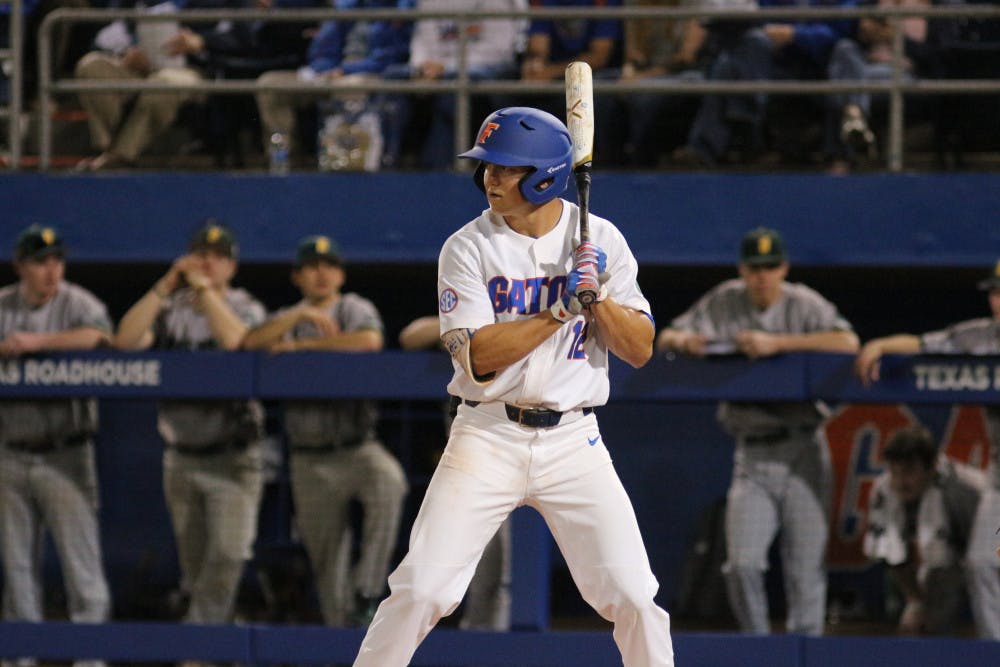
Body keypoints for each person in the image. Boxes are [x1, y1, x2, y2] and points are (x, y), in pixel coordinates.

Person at [352, 106, 673, 666]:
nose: (489, 179)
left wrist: (599, 300)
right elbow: (478, 358)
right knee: (422, 591)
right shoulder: (467, 247)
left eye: (505, 169)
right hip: (486, 435)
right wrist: (559, 309)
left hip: (575, 442)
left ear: (546, 176)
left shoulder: (602, 239)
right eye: (487, 167)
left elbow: (640, 349)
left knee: (635, 598)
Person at [656, 227, 859, 635]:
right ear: (742, 270)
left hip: (803, 448)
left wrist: (778, 344)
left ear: (783, 268)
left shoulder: (802, 303)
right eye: (754, 268)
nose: (762, 276)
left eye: (770, 267)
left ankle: (807, 657)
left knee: (805, 568)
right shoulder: (725, 299)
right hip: (752, 455)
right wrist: (686, 340)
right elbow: (666, 337)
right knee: (741, 565)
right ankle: (760, 649)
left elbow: (848, 342)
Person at [242, 235, 408, 626]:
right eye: (312, 266)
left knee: (390, 482)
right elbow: (251, 342)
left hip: (356, 445)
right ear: (297, 276)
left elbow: (369, 341)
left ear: (341, 273)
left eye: (330, 265)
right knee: (327, 559)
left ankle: (369, 588)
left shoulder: (353, 307)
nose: (322, 273)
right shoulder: (287, 315)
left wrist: (302, 349)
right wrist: (296, 320)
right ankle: (342, 635)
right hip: (309, 455)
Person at [113, 220, 267, 625]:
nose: (209, 263)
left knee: (230, 556)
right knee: (197, 569)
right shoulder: (171, 309)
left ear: (231, 267)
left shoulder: (245, 305)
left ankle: (197, 652)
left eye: (218, 257)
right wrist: (165, 286)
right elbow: (126, 341)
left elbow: (238, 342)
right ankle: (208, 647)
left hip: (234, 456)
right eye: (202, 255)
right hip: (182, 458)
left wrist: (203, 290)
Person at [855, 258, 1000, 640]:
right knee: (984, 562)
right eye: (996, 294)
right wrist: (882, 343)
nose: (999, 302)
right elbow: (924, 344)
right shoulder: (980, 337)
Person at [0, 225, 112, 664]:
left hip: (66, 451)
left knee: (83, 571)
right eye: (40, 262)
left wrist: (37, 344)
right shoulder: (3, 304)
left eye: (56, 261)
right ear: (20, 265)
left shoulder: (76, 301)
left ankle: (89, 661)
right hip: (10, 451)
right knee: (17, 571)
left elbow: (102, 336)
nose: (51, 271)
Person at [397, 314, 512, 631]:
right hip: (475, 454)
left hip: (527, 444)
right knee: (470, 557)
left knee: (507, 565)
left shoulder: (532, 306)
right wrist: (464, 320)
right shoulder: (466, 307)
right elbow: (411, 336)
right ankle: (476, 640)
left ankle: (496, 643)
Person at [73, 0, 277, 170]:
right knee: (91, 67)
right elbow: (107, 33)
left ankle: (120, 156)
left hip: (193, 70)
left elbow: (244, 36)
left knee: (162, 85)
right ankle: (106, 147)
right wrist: (126, 51)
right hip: (140, 69)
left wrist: (202, 41)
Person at [672, 0, 859, 168]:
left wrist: (796, 36)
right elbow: (756, 18)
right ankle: (713, 148)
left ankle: (733, 138)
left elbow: (845, 29)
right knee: (735, 57)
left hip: (821, 69)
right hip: (774, 65)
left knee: (729, 66)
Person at [254, 0, 414, 166]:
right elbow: (321, 51)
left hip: (371, 73)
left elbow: (388, 57)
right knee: (270, 84)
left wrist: (346, 70)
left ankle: (346, 162)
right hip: (332, 73)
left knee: (350, 86)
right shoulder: (346, 8)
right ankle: (284, 158)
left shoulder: (397, 9)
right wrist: (327, 69)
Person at [862, 424, 986, 636]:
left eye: (909, 472)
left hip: (990, 544)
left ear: (931, 468)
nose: (901, 482)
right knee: (914, 618)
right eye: (895, 471)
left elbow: (991, 550)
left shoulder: (962, 492)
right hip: (952, 554)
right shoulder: (884, 490)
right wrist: (915, 601)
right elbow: (890, 555)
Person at [379, 0, 527, 169]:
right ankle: (390, 161)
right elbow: (421, 42)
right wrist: (422, 67)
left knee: (453, 84)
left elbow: (499, 50)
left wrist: (445, 67)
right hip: (437, 68)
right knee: (394, 76)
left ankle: (444, 166)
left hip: (487, 67)